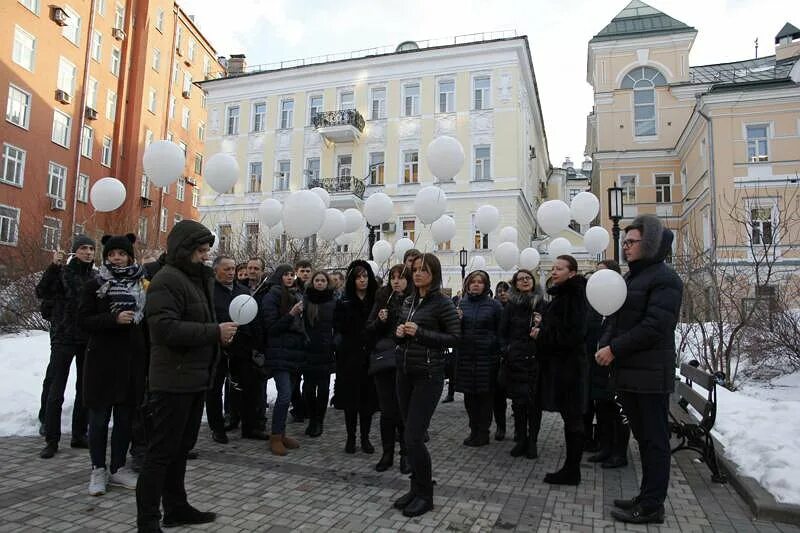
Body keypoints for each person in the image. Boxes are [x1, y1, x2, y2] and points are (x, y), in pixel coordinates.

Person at [135, 220, 238, 531]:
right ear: (184, 250)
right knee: (160, 454)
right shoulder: (167, 280)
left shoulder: (196, 279)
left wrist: (218, 335)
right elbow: (164, 328)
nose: (206, 256)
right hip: (172, 382)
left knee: (180, 449)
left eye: (208, 250)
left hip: (195, 379)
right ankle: (148, 521)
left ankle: (176, 508)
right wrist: (213, 332)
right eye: (201, 251)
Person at [596, 215, 683, 525]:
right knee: (644, 440)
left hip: (649, 375)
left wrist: (614, 349)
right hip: (631, 372)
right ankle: (645, 496)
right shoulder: (633, 278)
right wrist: (603, 344)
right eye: (626, 241)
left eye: (631, 242)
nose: (626, 247)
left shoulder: (665, 279)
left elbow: (655, 327)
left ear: (649, 245)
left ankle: (652, 506)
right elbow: (615, 319)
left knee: (654, 441)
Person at [78, 233, 147, 496]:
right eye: (111, 254)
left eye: (121, 253)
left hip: (131, 361)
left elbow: (146, 322)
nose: (116, 258)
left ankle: (118, 468)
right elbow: (83, 320)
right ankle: (98, 469)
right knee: (98, 419)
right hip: (102, 361)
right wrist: (113, 318)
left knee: (125, 419)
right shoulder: (95, 284)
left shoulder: (141, 284)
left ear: (130, 255)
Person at [393, 253, 460, 518]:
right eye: (416, 269)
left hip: (428, 376)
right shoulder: (409, 300)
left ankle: (426, 496)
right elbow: (401, 333)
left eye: (424, 270)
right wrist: (399, 334)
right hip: (404, 372)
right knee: (407, 437)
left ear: (434, 274)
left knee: (413, 437)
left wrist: (420, 332)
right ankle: (415, 489)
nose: (418, 273)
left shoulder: (442, 303)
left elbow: (455, 337)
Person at [36, 234, 96, 459]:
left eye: (91, 248)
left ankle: (79, 434)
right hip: (63, 338)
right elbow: (42, 291)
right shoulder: (63, 273)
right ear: (75, 251)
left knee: (84, 388)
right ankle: (51, 439)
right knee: (56, 390)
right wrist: (54, 266)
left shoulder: (96, 277)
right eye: (83, 248)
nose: (88, 252)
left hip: (86, 339)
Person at [534, 255, 588, 486]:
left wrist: (541, 334)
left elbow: (572, 334)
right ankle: (570, 467)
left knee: (573, 418)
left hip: (570, 367)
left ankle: (572, 470)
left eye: (560, 269)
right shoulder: (563, 295)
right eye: (553, 268)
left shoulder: (574, 297)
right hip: (563, 365)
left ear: (572, 273)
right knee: (570, 418)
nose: (554, 272)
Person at [209, 256, 269, 443]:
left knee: (248, 387)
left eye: (233, 269)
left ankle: (249, 427)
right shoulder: (208, 291)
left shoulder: (242, 291)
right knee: (214, 389)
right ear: (216, 270)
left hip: (242, 348)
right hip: (217, 347)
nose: (230, 273)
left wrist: (256, 344)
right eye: (226, 269)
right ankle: (218, 428)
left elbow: (254, 318)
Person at [366, 264, 412, 473]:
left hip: (407, 361)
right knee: (387, 411)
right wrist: (379, 321)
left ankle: (405, 454)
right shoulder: (382, 299)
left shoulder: (414, 301)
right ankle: (387, 454)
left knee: (404, 410)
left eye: (401, 277)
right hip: (385, 361)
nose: (396, 281)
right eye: (393, 277)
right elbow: (369, 329)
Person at [586, 259, 629, 469]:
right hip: (597, 365)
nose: (597, 278)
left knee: (617, 411)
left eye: (601, 273)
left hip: (616, 364)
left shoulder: (621, 301)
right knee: (601, 408)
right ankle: (604, 448)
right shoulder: (595, 303)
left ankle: (619, 452)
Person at [333, 260, 379, 454]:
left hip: (370, 357)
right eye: (359, 277)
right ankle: (351, 438)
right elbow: (339, 328)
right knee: (350, 402)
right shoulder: (343, 302)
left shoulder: (375, 302)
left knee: (367, 402)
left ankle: (365, 438)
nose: (363, 280)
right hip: (349, 358)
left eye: (365, 276)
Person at [260, 264, 305, 456]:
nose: (290, 278)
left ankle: (282, 433)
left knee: (289, 395)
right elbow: (271, 327)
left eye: (291, 274)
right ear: (279, 276)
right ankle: (276, 436)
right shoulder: (272, 296)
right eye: (286, 274)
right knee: (285, 395)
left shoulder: (295, 294)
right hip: (279, 353)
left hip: (294, 353)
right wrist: (291, 314)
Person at [455, 270, 503, 447]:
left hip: (487, 359)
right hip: (466, 358)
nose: (476, 284)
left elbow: (501, 332)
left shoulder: (494, 306)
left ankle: (483, 432)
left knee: (485, 398)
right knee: (469, 398)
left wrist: (494, 347)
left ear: (486, 285)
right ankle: (473, 430)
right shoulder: (462, 304)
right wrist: (457, 320)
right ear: (467, 284)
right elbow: (455, 332)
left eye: (480, 282)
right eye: (472, 282)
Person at [500, 269, 543, 459]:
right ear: (515, 284)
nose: (525, 281)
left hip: (536, 360)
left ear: (533, 282)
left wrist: (542, 330)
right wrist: (507, 350)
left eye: (528, 278)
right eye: (520, 279)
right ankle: (521, 439)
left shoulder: (542, 304)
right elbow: (502, 332)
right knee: (518, 403)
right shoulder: (511, 306)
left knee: (534, 403)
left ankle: (532, 441)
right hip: (515, 360)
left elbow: (551, 331)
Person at [301, 270, 336, 438]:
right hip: (308, 350)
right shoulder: (306, 300)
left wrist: (334, 342)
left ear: (327, 282)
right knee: (307, 389)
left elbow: (339, 326)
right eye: (317, 280)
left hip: (326, 351)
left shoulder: (333, 301)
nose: (320, 283)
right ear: (312, 282)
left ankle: (319, 421)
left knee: (323, 390)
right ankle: (312, 418)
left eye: (323, 280)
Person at [290, 259, 313, 423]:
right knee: (295, 378)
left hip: (311, 338)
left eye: (307, 271)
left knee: (310, 378)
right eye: (302, 270)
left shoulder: (314, 288)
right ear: (297, 271)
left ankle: (306, 406)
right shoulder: (292, 290)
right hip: (296, 338)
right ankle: (298, 407)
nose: (305, 273)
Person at [492, 280, 510, 440]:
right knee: (498, 395)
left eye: (505, 290)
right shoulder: (494, 308)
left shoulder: (516, 308)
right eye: (500, 291)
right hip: (497, 356)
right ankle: (501, 426)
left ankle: (519, 429)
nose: (503, 293)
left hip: (514, 355)